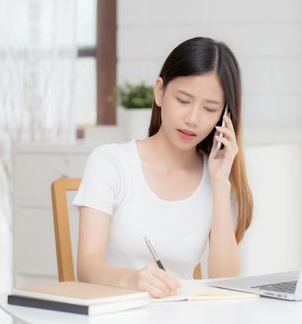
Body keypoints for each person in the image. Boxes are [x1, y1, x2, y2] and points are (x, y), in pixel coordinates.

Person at [73, 37, 254, 298]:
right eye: (183, 100)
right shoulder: (111, 163)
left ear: (224, 116)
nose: (193, 119)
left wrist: (220, 182)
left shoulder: (217, 179)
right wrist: (132, 280)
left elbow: (224, 279)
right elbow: (87, 267)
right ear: (160, 92)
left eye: (209, 108)